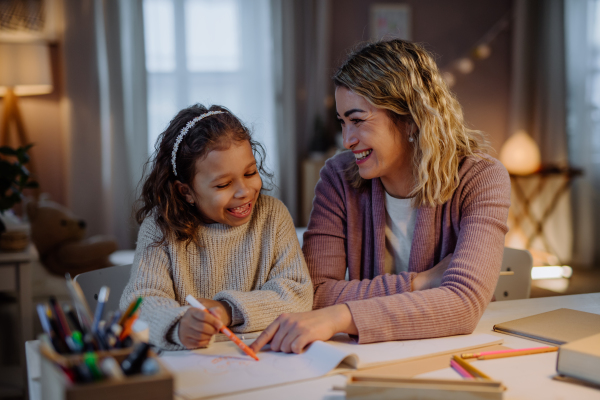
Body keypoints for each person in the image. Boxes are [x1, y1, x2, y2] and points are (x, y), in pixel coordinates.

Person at [250, 39, 511, 354]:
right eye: (343, 122)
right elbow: (315, 293)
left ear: (411, 119)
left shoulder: (481, 177)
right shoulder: (338, 178)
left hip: (454, 351)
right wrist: (420, 283)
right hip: (374, 352)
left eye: (358, 120)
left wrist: (342, 314)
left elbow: (462, 303)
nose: (347, 140)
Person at [120, 104, 313, 350]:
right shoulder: (161, 227)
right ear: (186, 191)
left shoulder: (273, 216)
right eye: (223, 185)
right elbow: (139, 302)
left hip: (263, 361)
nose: (244, 191)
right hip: (190, 367)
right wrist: (178, 326)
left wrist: (227, 310)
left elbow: (298, 294)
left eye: (250, 172)